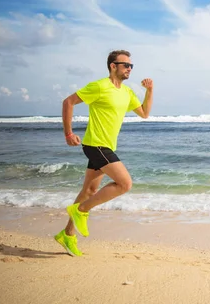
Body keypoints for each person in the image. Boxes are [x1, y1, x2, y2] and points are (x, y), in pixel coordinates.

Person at [54, 50, 153, 256]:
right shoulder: (99, 86)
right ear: (112, 66)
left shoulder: (126, 93)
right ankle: (80, 210)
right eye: (125, 65)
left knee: (89, 191)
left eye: (131, 66)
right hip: (96, 145)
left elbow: (144, 113)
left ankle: (68, 235)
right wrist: (68, 133)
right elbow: (68, 102)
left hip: (107, 146)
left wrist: (149, 90)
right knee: (125, 184)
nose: (129, 69)